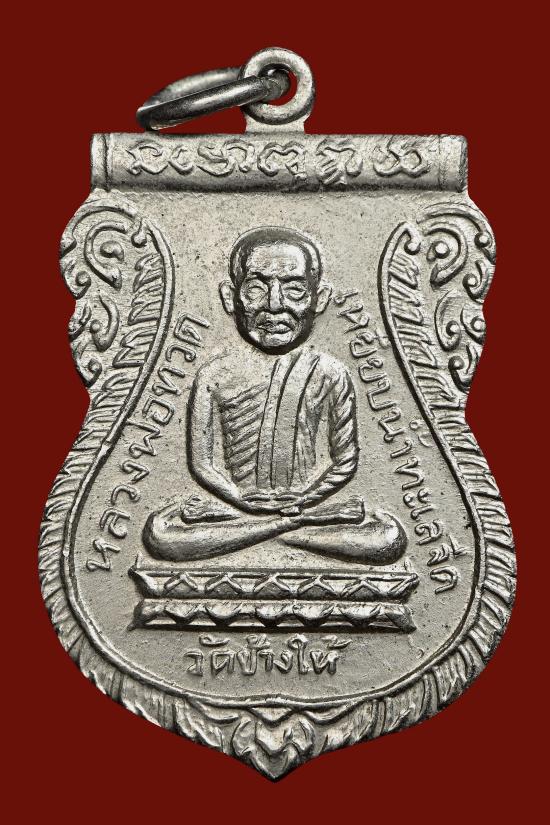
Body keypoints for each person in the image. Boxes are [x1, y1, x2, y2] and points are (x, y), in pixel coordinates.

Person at [143, 227, 406, 564]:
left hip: (302, 510)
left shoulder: (329, 371)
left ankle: (273, 531)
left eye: (295, 289)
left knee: (387, 539)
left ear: (320, 298)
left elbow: (345, 461)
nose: (275, 305)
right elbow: (202, 464)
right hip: (237, 512)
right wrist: (241, 501)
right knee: (160, 535)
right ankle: (286, 531)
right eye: (256, 288)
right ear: (230, 297)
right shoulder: (214, 374)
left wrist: (303, 501)